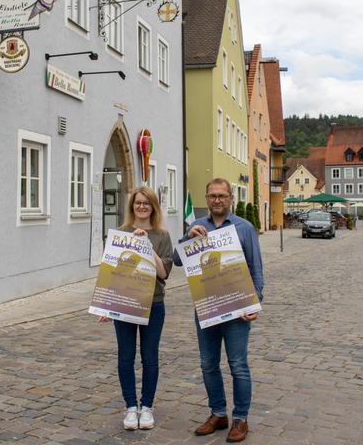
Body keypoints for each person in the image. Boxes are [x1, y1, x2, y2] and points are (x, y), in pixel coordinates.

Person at [175, 178, 264, 443]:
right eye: (212, 196)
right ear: (207, 197)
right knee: (208, 364)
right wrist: (187, 238)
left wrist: (255, 303)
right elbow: (178, 260)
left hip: (237, 307)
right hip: (208, 307)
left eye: (222, 196)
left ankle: (240, 419)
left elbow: (256, 268)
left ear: (230, 198)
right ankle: (218, 413)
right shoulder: (197, 226)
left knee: (238, 365)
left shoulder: (245, 228)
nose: (217, 200)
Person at [99, 186, 173, 431]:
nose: (142, 207)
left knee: (150, 358)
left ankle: (147, 407)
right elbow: (113, 271)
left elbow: (163, 273)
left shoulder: (162, 235)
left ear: (154, 206)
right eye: (138, 203)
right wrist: (106, 305)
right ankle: (131, 407)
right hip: (125, 305)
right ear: (132, 206)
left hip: (153, 304)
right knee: (125, 357)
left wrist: (145, 245)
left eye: (147, 203)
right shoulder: (120, 233)